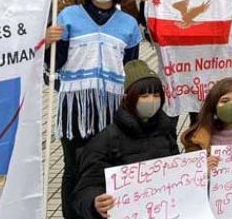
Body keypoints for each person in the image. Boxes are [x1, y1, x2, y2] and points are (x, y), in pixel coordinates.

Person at [45, 0, 142, 219]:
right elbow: (55, 63)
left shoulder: (128, 24)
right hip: (76, 108)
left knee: (108, 167)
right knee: (73, 168)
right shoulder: (68, 16)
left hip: (112, 109)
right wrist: (49, 43)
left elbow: (132, 68)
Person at [71, 60, 178, 219]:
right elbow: (84, 190)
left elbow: (177, 173)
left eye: (156, 95)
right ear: (128, 98)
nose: (151, 100)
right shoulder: (106, 140)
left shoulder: (166, 131)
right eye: (144, 96)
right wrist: (95, 203)